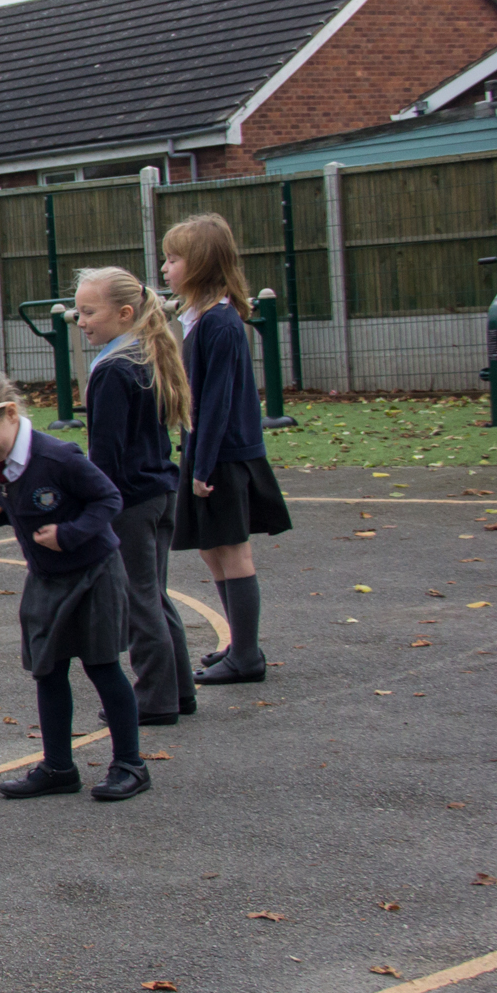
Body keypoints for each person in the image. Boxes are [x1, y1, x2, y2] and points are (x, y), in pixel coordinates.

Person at [0, 366, 149, 801]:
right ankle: (58, 767)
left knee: (102, 665)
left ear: (11, 414)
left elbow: (108, 499)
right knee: (48, 670)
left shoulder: (58, 456)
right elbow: (19, 512)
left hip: (94, 573)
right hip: (47, 578)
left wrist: (70, 534)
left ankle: (130, 763)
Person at [160, 213, 292, 686]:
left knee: (232, 551)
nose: (165, 268)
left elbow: (214, 401)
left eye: (173, 259)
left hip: (224, 455)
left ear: (199, 264)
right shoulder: (201, 318)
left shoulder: (221, 322)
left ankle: (248, 655)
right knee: (211, 550)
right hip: (206, 450)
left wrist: (203, 463)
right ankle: (239, 643)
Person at [72, 267, 195, 725]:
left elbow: (106, 454)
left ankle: (155, 698)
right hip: (160, 491)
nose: (80, 320)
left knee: (138, 600)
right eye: (79, 312)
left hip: (131, 500)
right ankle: (178, 690)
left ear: (125, 313)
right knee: (154, 594)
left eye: (89, 311)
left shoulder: (112, 370)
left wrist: (92, 508)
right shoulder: (146, 355)